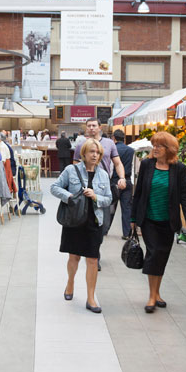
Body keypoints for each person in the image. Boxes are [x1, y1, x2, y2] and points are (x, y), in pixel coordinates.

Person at [130, 132, 186, 314]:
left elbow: (184, 195)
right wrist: (133, 219)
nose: (155, 149)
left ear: (170, 149)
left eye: (159, 146)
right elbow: (139, 192)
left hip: (168, 221)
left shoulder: (178, 168)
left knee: (162, 257)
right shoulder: (147, 165)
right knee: (154, 253)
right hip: (149, 219)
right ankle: (151, 296)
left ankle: (157, 293)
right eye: (154, 145)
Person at [50, 139, 112, 314]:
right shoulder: (71, 170)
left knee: (93, 259)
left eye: (98, 153)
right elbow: (55, 187)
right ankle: (70, 282)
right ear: (84, 153)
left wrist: (95, 197)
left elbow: (108, 199)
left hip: (94, 222)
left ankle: (91, 297)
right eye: (92, 151)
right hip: (75, 221)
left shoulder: (103, 175)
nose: (95, 155)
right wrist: (70, 197)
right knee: (74, 257)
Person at [73, 119, 127, 237]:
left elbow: (118, 163)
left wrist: (122, 177)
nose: (91, 128)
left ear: (100, 127)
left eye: (94, 125)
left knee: (104, 222)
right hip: (86, 185)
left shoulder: (109, 143)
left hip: (104, 185)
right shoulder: (81, 145)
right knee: (85, 218)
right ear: (86, 128)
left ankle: (95, 247)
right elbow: (75, 166)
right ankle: (90, 250)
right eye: (89, 126)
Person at [113, 129, 136, 238]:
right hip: (127, 180)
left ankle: (104, 230)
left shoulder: (113, 149)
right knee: (126, 208)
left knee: (110, 207)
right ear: (124, 138)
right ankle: (127, 233)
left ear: (114, 138)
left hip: (114, 180)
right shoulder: (131, 150)